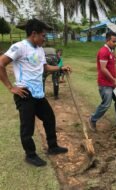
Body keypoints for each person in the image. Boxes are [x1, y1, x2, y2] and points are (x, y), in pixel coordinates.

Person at [0, 18, 71, 167]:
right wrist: (11, 87)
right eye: (43, 35)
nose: (45, 38)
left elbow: (44, 68)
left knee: (49, 118)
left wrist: (60, 68)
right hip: (25, 94)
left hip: (38, 93)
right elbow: (1, 63)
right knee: (28, 127)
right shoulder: (19, 47)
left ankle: (52, 147)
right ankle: (30, 155)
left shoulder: (39, 49)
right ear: (34, 34)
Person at [89, 31, 116, 132]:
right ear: (107, 40)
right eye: (114, 41)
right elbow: (103, 69)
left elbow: (113, 69)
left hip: (113, 83)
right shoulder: (103, 51)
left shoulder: (112, 52)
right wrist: (113, 80)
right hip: (105, 84)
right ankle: (92, 119)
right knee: (106, 104)